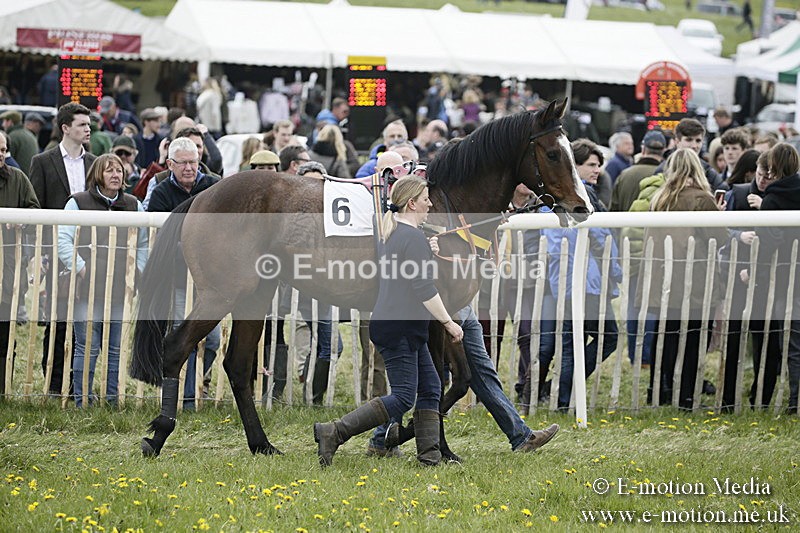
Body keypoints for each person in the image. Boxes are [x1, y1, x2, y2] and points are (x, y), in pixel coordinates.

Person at [314, 176, 464, 467]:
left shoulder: (396, 235)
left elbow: (409, 271)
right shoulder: (411, 238)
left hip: (401, 326)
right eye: (425, 199)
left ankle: (430, 456)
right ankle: (334, 432)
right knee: (405, 396)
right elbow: (424, 289)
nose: (430, 204)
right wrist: (448, 323)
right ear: (411, 203)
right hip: (400, 329)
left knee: (431, 387)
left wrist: (426, 252)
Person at [637, 148, 728, 409]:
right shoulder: (702, 199)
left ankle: (658, 390)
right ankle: (686, 395)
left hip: (663, 280)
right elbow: (720, 238)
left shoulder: (659, 198)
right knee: (693, 340)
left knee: (665, 336)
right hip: (693, 281)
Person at [57, 154, 148, 407]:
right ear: (98, 174)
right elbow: (63, 238)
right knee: (87, 345)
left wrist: (136, 272)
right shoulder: (78, 202)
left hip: (121, 285)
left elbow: (143, 243)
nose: (116, 175)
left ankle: (112, 399)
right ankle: (82, 399)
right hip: (87, 285)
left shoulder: (133, 204)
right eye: (109, 171)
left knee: (116, 346)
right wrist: (81, 268)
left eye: (119, 170)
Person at [540, 139, 621, 409]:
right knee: (603, 337)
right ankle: (566, 393)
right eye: (592, 165)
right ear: (575, 166)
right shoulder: (580, 198)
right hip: (582, 279)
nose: (597, 170)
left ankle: (565, 393)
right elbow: (601, 236)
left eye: (599, 165)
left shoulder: (558, 199)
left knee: (575, 340)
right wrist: (616, 269)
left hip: (576, 278)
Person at [147, 137, 221, 407]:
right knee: (183, 335)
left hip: (211, 281)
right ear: (170, 164)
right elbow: (161, 237)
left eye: (194, 162)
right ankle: (185, 397)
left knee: (212, 339)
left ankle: (196, 385)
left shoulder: (213, 186)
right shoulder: (161, 194)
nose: (190, 168)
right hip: (179, 279)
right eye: (183, 163)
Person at [29, 102, 97, 396]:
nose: (88, 128)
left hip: (90, 251)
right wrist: (42, 254)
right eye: (82, 124)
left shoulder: (94, 162)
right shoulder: (42, 162)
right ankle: (54, 383)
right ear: (65, 128)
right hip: (55, 251)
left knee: (85, 321)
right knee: (56, 320)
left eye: (89, 124)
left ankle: (80, 383)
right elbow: (38, 210)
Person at [720, 151, 783, 410]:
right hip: (737, 270)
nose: (763, 180)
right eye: (760, 175)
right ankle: (727, 399)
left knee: (765, 338)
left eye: (768, 177)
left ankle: (762, 396)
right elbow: (722, 227)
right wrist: (738, 234)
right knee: (733, 336)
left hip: (768, 275)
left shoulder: (779, 198)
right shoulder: (738, 191)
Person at [753, 143, 800, 413]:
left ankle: (795, 401)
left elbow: (767, 241)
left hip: (784, 275)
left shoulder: (773, 199)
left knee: (792, 341)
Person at [0, 131, 40, 393]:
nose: (0, 155)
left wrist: (21, 218)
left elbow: (34, 209)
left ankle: (2, 388)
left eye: (3, 150)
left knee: (5, 333)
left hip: (8, 270)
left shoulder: (18, 178)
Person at [610, 130, 666, 212]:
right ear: (664, 151)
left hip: (624, 223)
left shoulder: (624, 175)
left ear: (643, 149)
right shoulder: (667, 176)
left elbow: (613, 208)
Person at [1, 110, 38, 175]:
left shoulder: (12, 137)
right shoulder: (30, 135)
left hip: (18, 178)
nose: (3, 125)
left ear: (10, 122)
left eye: (4, 121)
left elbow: (6, 160)